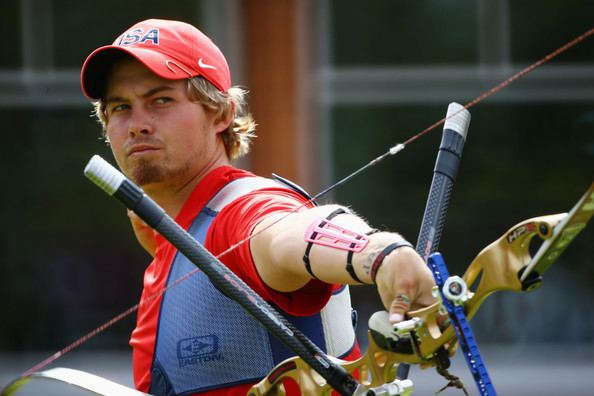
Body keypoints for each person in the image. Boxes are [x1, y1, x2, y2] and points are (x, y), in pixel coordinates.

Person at [80, 18, 437, 396]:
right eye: (120, 107)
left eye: (160, 100)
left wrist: (378, 253)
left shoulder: (236, 211)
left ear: (221, 113)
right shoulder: (174, 236)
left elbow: (286, 232)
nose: (137, 124)